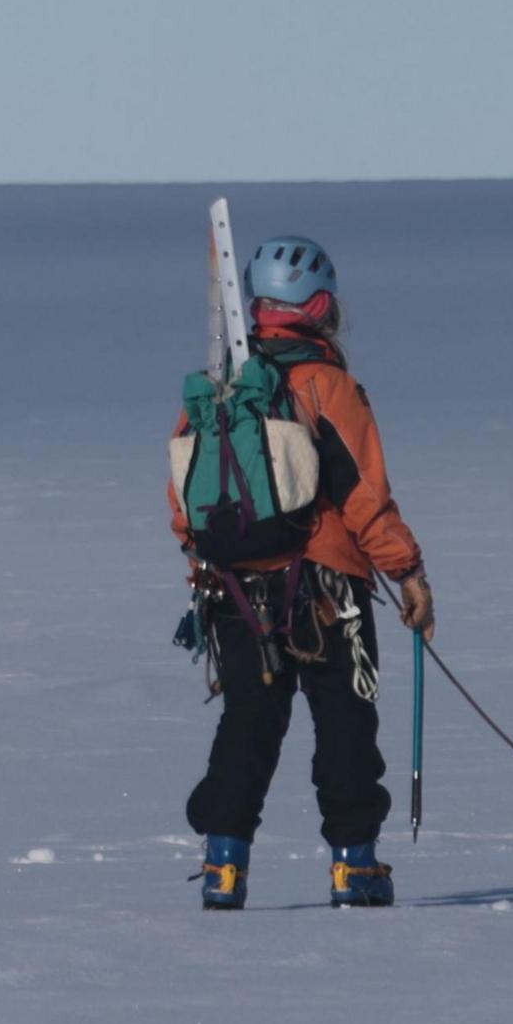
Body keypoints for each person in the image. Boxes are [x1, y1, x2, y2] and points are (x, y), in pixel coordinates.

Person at [173, 235, 435, 905]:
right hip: (325, 588)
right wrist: (406, 572)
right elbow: (363, 495)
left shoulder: (219, 385)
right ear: (318, 305)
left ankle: (222, 868)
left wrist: (206, 561)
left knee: (247, 725)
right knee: (346, 723)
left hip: (233, 588)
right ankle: (356, 866)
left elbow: (186, 499)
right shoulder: (329, 386)